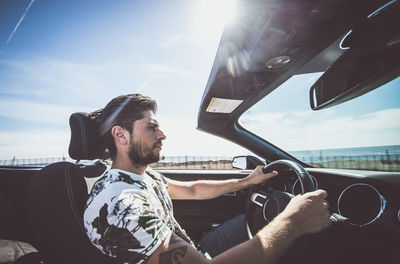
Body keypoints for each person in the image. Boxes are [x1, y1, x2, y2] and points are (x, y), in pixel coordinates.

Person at [83, 94, 331, 264]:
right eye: (151, 127)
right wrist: (293, 222)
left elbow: (192, 189)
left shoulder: (140, 176)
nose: (163, 134)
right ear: (121, 135)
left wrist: (247, 181)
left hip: (196, 251)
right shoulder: (121, 205)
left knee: (255, 219)